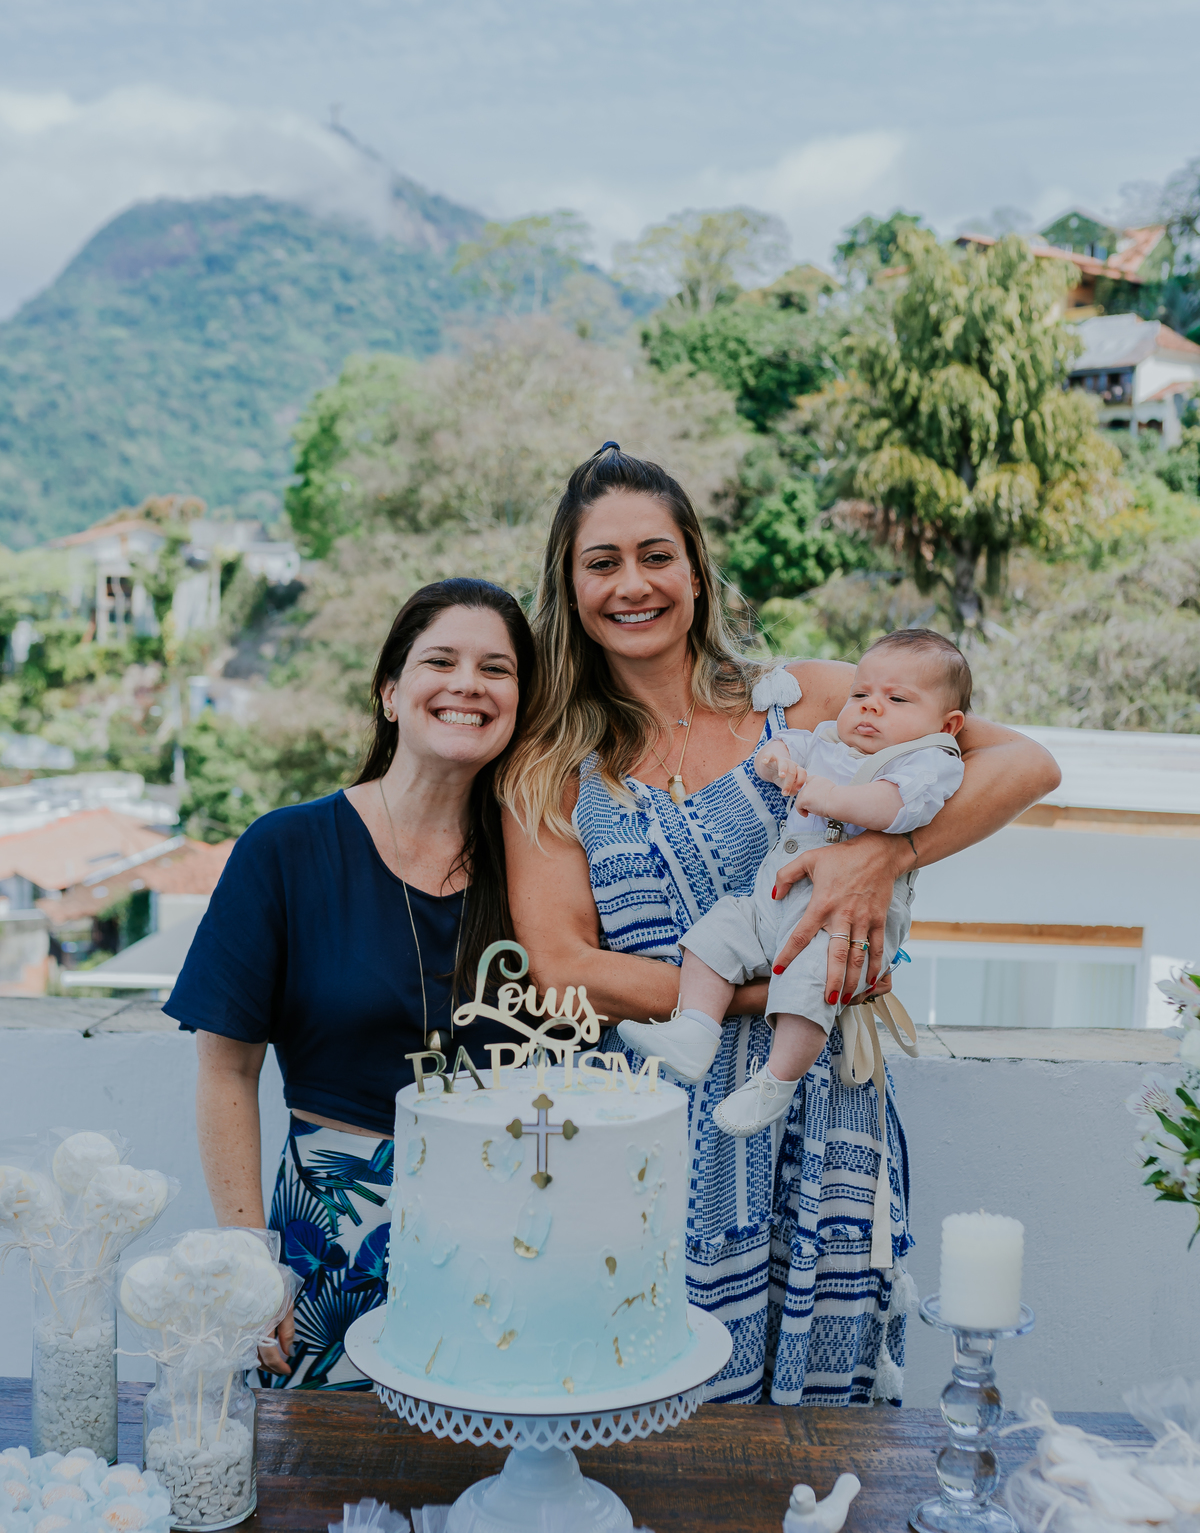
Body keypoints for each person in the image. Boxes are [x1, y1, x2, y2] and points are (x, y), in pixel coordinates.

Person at [501, 443, 1060, 1406]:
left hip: (825, 1112)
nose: (633, 584)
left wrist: (886, 855)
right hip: (657, 1126)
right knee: (656, 1417)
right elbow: (563, 968)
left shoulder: (809, 699)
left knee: (821, 1424)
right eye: (602, 563)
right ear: (570, 586)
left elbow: (1026, 764)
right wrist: (764, 992)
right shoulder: (550, 764)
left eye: (656, 555)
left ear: (696, 567)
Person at [165, 579, 533, 1388]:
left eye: (496, 669)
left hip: (508, 1244)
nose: (468, 684)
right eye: (441, 660)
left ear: (520, 702)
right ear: (391, 692)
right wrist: (247, 1258)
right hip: (329, 1243)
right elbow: (225, 1068)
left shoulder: (541, 871)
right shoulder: (285, 849)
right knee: (319, 1466)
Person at [618, 630, 967, 1137]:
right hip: (773, 898)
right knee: (717, 934)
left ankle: (775, 1082)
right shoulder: (830, 741)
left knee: (811, 983)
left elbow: (891, 808)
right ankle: (695, 1028)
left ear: (947, 724)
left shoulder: (928, 763)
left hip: (838, 922)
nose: (870, 708)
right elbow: (784, 747)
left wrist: (826, 796)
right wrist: (777, 759)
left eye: (896, 700)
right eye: (860, 694)